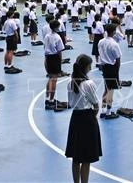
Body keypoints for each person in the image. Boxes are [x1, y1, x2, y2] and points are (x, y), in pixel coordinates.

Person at [65, 54, 102, 183]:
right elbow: (95, 104)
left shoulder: (70, 83)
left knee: (76, 157)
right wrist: (94, 116)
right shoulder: (88, 84)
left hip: (75, 118)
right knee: (86, 158)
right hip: (87, 119)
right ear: (86, 67)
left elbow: (70, 103)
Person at [98, 24, 122, 119]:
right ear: (114, 32)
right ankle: (108, 112)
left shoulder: (101, 41)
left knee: (106, 88)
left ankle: (103, 110)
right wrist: (117, 70)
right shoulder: (114, 44)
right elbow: (118, 59)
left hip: (104, 67)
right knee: (110, 91)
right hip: (112, 67)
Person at [44, 20, 66, 110]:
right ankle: (51, 100)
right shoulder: (57, 37)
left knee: (50, 78)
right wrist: (60, 60)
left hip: (48, 57)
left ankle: (47, 97)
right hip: (55, 57)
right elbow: (60, 50)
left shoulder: (47, 36)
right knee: (54, 80)